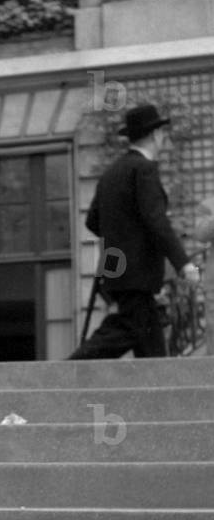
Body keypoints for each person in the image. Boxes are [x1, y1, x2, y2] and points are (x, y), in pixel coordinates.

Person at [69, 104, 199, 359]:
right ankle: (70, 369)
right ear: (154, 135)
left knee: (149, 346)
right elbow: (156, 221)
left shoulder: (111, 173)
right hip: (137, 273)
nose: (164, 137)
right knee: (129, 327)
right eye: (162, 133)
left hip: (115, 268)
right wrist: (183, 264)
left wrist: (122, 235)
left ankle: (155, 392)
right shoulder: (144, 170)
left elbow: (93, 221)